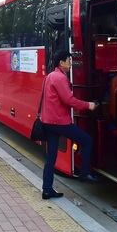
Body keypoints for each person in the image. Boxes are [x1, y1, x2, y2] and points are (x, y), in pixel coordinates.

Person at [40, 49, 98, 200]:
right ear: (61, 63)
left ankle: (47, 190)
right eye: (69, 60)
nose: (71, 63)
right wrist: (89, 105)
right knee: (86, 140)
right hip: (59, 122)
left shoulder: (50, 76)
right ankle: (84, 172)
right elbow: (69, 101)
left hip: (48, 121)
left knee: (51, 156)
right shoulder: (60, 78)